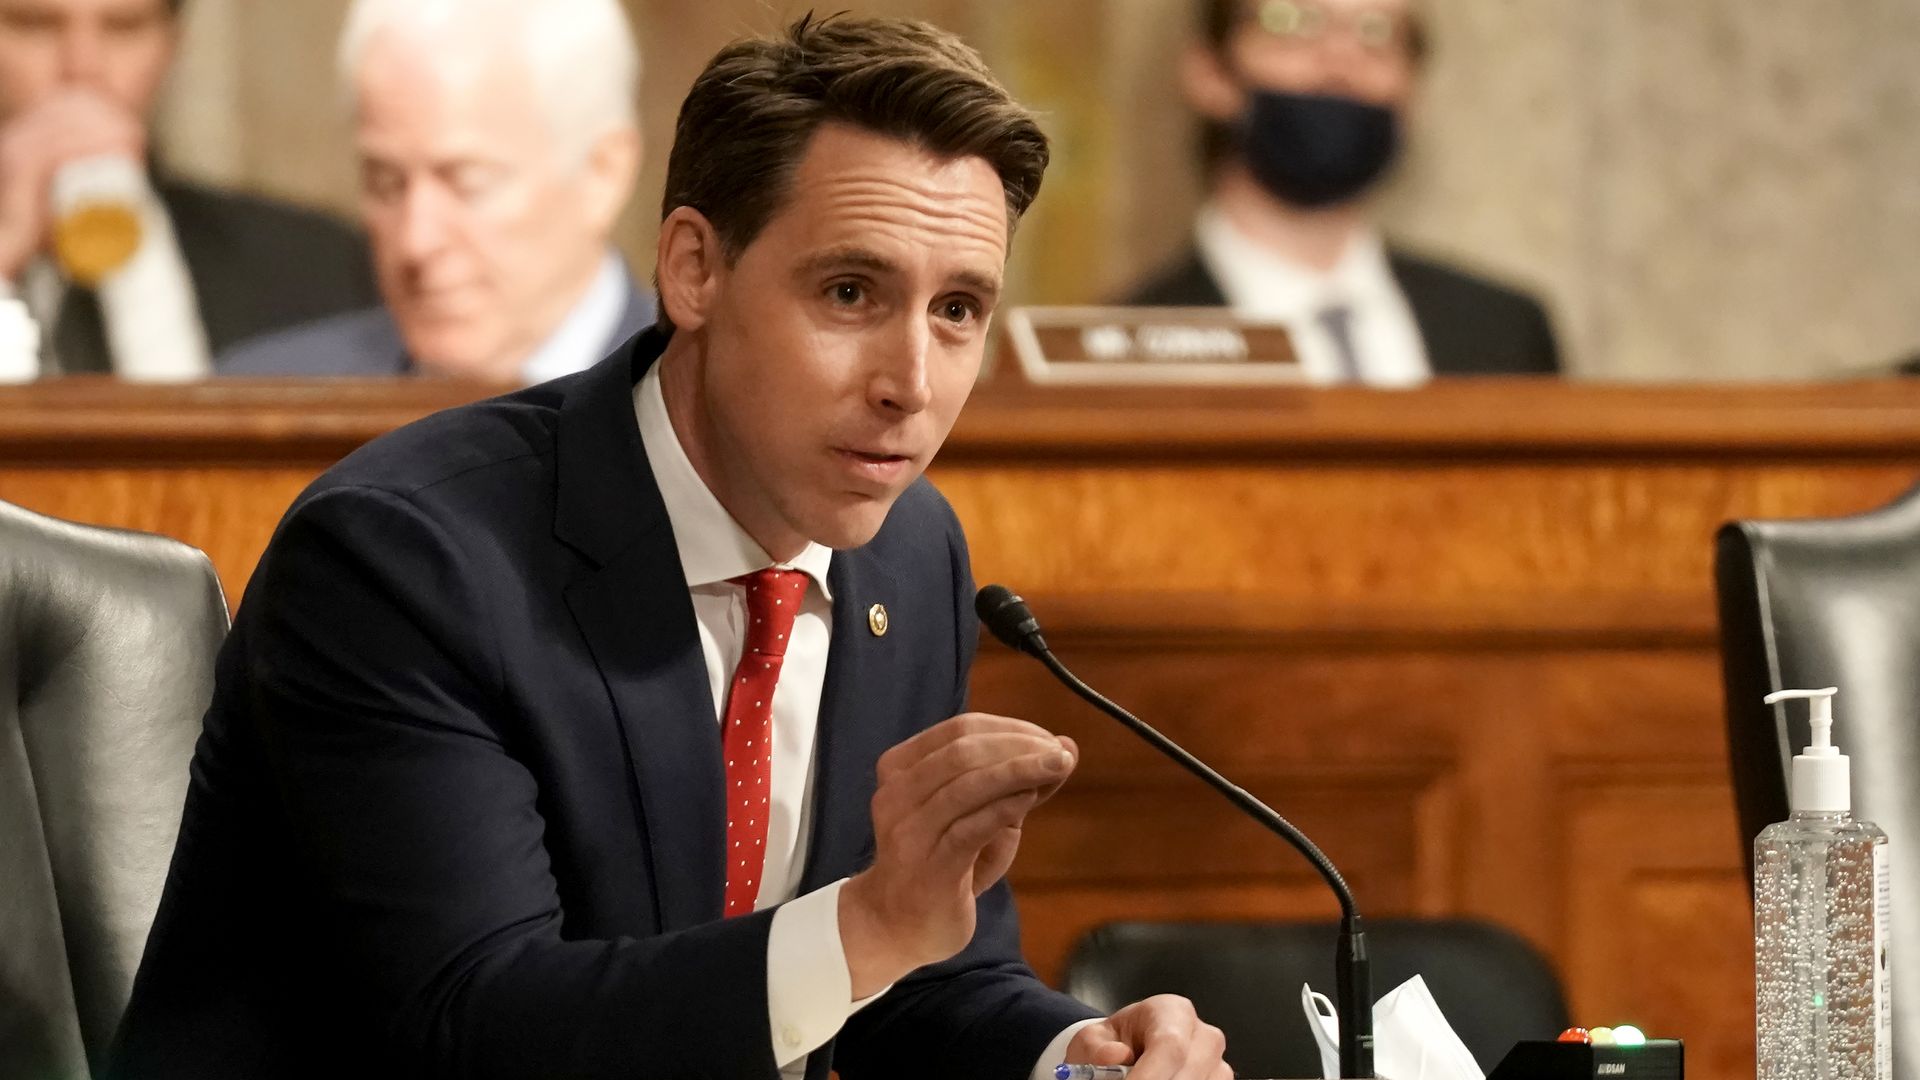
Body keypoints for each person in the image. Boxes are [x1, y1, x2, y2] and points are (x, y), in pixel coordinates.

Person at [113, 14, 1230, 1080]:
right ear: (694, 268)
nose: (913, 385)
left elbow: (915, 976)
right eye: (851, 291)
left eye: (958, 311)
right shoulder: (405, 563)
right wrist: (870, 926)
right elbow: (473, 1027)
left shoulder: (908, 552)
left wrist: (1070, 1055)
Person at [1122, 0, 1561, 384]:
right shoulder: (1121, 350)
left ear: (1413, 89)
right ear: (1209, 73)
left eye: (1377, 31)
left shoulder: (1504, 331)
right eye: (1293, 22)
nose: (1340, 59)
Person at [217, 0, 653, 383]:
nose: (416, 241)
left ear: (603, 174)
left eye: (469, 184)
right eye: (385, 184)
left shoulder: (704, 400)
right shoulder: (257, 406)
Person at [0, 0, 376, 377]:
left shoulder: (314, 269)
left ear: (173, 43)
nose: (82, 68)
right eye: (34, 25)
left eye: (124, 28)